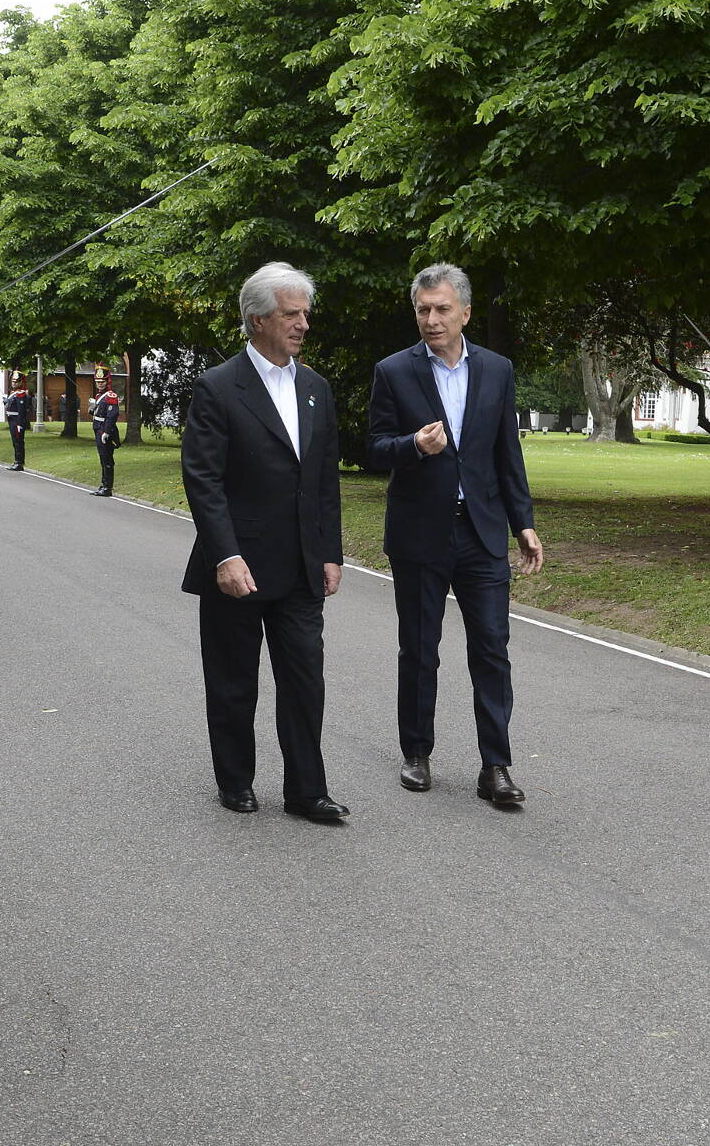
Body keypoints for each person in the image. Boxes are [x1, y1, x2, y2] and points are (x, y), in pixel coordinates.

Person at [367, 263, 543, 808]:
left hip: (482, 534)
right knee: (420, 649)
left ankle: (496, 766)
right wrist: (413, 447)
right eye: (422, 309)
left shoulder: (496, 370)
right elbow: (373, 449)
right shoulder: (394, 371)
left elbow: (505, 456)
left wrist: (524, 524)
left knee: (492, 649)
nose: (431, 319)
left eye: (442, 308)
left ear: (465, 312)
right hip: (421, 532)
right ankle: (417, 752)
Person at [181, 262, 347, 823]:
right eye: (290, 314)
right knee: (233, 682)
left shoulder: (316, 389)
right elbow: (202, 480)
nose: (303, 324)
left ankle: (306, 790)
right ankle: (235, 780)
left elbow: (324, 479)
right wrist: (225, 555)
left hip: (301, 566)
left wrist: (330, 552)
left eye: (305, 313)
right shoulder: (218, 387)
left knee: (305, 681)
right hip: (239, 564)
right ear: (257, 320)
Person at [90, 363, 120, 496]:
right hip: (98, 428)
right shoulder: (99, 396)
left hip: (104, 430)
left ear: (107, 381)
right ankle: (103, 485)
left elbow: (112, 416)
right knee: (102, 459)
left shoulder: (111, 396)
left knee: (107, 459)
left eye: (102, 381)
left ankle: (107, 488)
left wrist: (107, 432)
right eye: (98, 382)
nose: (100, 384)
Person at [4, 373, 31, 471]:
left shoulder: (21, 394)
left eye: (16, 382)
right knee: (15, 442)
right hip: (12, 420)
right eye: (12, 381)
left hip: (16, 421)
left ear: (20, 382)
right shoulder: (14, 393)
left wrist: (20, 424)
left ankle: (19, 463)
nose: (13, 383)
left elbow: (21, 411)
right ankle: (16, 461)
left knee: (18, 442)